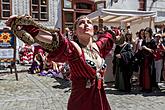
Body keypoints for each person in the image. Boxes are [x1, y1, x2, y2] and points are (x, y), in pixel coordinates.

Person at [5, 15, 115, 110]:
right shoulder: (75, 48)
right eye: (81, 23)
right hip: (82, 102)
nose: (86, 24)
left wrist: (117, 34)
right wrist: (24, 25)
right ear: (75, 32)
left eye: (89, 22)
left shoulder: (98, 47)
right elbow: (54, 41)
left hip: (101, 100)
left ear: (93, 29)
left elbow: (109, 37)